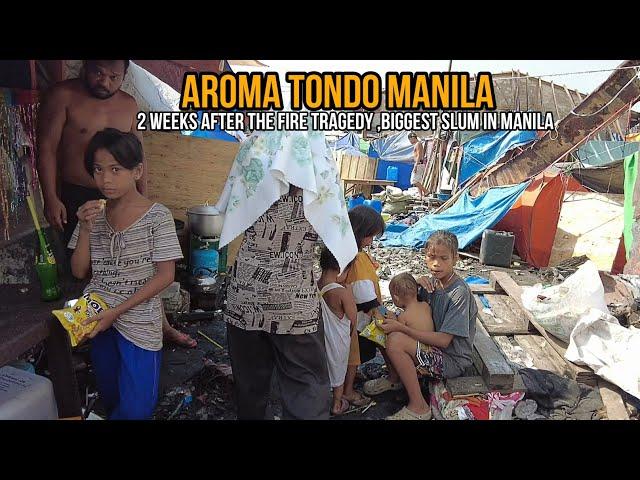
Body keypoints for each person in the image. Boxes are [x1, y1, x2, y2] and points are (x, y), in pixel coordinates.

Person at [36, 59, 196, 348]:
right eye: (99, 73)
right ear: (85, 67)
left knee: (143, 268)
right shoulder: (63, 96)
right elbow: (46, 148)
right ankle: (88, 329)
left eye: (114, 76)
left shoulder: (129, 104)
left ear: (124, 75)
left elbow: (139, 153)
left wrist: (143, 196)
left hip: (125, 198)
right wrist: (51, 198)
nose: (105, 82)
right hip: (77, 195)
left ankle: (161, 326)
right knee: (85, 271)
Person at [216, 129, 358, 420]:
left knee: (250, 386)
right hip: (296, 302)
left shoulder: (253, 155)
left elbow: (222, 215)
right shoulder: (320, 166)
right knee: (304, 385)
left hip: (246, 295)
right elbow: (335, 232)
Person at [69, 128, 183, 419]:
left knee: (137, 408)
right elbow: (80, 270)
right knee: (110, 394)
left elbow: (165, 275)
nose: (105, 180)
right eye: (98, 169)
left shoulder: (157, 216)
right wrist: (84, 229)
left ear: (137, 170)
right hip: (98, 316)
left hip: (139, 322)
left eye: (116, 169)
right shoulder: (92, 214)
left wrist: (117, 311)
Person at [377, 230, 477, 420]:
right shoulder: (431, 285)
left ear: (455, 259)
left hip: (451, 360)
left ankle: (419, 407)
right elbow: (410, 304)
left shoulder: (458, 294)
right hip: (434, 349)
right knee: (383, 328)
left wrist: (402, 328)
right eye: (431, 257)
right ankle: (395, 379)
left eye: (443, 258)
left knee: (396, 340)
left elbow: (445, 341)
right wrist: (415, 283)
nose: (436, 263)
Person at [341, 205, 390, 406]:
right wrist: (380, 314)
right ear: (360, 232)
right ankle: (348, 391)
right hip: (359, 317)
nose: (371, 242)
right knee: (353, 357)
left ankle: (347, 382)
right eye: (370, 236)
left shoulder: (349, 252)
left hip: (351, 314)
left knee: (350, 356)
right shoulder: (358, 258)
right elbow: (363, 292)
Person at [318, 247, 357, 416]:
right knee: (338, 369)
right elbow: (353, 317)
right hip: (338, 338)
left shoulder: (315, 284)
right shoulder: (341, 292)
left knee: (322, 368)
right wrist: (349, 293)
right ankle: (336, 404)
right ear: (342, 268)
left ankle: (319, 401)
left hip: (319, 337)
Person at [408, 132, 428, 199]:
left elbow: (419, 155)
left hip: (419, 164)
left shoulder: (418, 144)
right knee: (419, 181)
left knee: (414, 180)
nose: (410, 141)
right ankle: (420, 196)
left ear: (413, 138)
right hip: (419, 163)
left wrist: (415, 166)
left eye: (410, 139)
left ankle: (425, 191)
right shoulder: (418, 144)